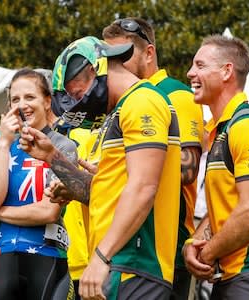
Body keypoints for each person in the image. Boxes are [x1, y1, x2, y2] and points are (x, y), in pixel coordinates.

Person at [19, 36, 181, 299]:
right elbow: (108, 193)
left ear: (94, 69)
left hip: (135, 264)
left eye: (77, 92)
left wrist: (101, 256)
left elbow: (143, 187)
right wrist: (51, 156)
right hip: (120, 264)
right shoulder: (120, 110)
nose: (78, 102)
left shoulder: (142, 102)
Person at [102, 17, 204, 300]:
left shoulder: (176, 94)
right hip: (128, 245)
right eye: (109, 57)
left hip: (166, 248)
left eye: (123, 55)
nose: (114, 64)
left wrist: (135, 165)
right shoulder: (123, 100)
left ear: (149, 53)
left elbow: (188, 169)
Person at [184, 34, 249, 299]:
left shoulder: (247, 127)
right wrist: (192, 243)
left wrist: (207, 252)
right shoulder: (222, 130)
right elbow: (227, 207)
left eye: (200, 65)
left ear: (226, 71)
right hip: (236, 275)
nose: (190, 73)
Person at [0, 68, 78, 300]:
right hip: (3, 258)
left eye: (30, 97)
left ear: (47, 101)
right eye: (15, 99)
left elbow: (47, 211)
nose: (22, 105)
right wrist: (4, 142)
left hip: (46, 258)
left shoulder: (62, 146)